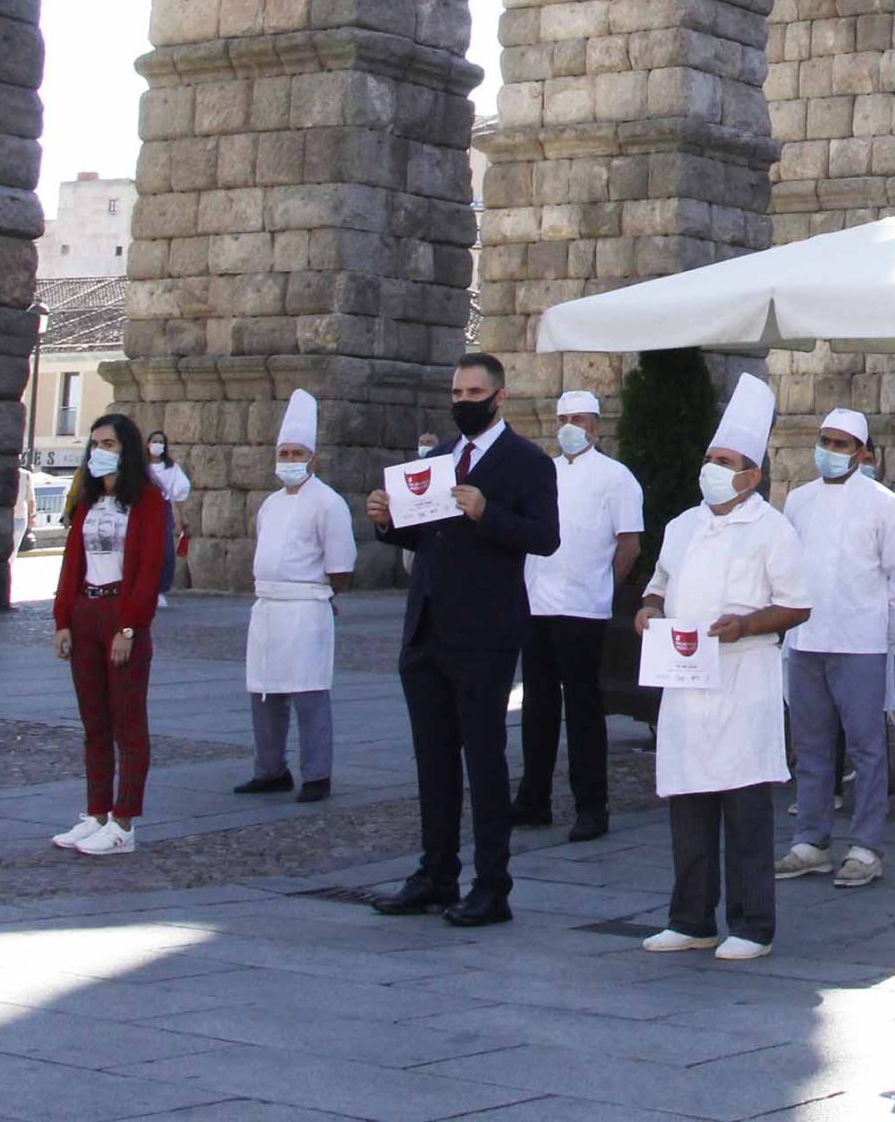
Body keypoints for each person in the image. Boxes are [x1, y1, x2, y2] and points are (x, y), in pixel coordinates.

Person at [366, 352, 560, 927]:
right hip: (427, 627)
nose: (463, 402)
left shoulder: (527, 463)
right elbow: (418, 534)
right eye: (456, 392)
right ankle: (436, 872)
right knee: (432, 759)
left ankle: (492, 884)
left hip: (485, 632)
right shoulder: (436, 458)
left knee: (484, 757)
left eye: (474, 393)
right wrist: (384, 519)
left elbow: (545, 538)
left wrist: (487, 513)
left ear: (499, 398)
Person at [636, 373, 812, 961]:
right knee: (688, 800)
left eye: (725, 460)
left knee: (744, 808)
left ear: (751, 475)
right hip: (685, 681)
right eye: (709, 458)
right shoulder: (682, 526)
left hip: (743, 679)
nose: (711, 467)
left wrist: (746, 624)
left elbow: (797, 603)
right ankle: (690, 917)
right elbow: (657, 586)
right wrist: (648, 609)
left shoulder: (772, 529)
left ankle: (752, 923)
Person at [776, 406, 895, 891]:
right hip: (807, 637)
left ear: (861, 452)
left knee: (866, 746)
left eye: (841, 444)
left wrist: (889, 631)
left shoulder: (883, 503)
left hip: (859, 640)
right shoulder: (798, 500)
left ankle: (866, 845)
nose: (830, 452)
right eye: (825, 441)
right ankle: (810, 840)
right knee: (810, 745)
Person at [515, 389, 644, 843]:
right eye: (565, 417)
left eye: (581, 419)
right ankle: (533, 799)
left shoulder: (616, 477)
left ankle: (592, 804)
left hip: (584, 607)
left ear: (597, 424)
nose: (572, 426)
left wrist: (602, 586)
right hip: (537, 604)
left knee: (585, 707)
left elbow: (629, 543)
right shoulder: (540, 472)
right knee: (538, 706)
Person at [52, 412, 170, 853]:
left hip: (121, 612)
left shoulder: (147, 501)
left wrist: (130, 626)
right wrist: (62, 619)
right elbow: (71, 564)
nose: (100, 452)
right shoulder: (85, 501)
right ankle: (96, 811)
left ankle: (124, 821)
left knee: (128, 722)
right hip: (86, 610)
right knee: (94, 723)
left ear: (127, 451)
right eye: (95, 444)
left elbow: (148, 569)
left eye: (110, 445)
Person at [234, 390, 355, 804]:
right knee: (264, 691)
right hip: (268, 606)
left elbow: (341, 565)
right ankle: (270, 769)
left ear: (312, 458)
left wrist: (319, 594)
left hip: (305, 605)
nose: (288, 460)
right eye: (283, 453)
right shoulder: (269, 504)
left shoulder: (328, 503)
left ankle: (317, 773)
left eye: (295, 453)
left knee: (308, 691)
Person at [147, 430, 191, 606]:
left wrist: (183, 520)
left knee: (165, 551)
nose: (157, 444)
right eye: (154, 441)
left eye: (160, 442)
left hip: (161, 510)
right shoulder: (140, 467)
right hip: (142, 509)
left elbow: (179, 495)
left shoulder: (170, 467)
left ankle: (159, 589)